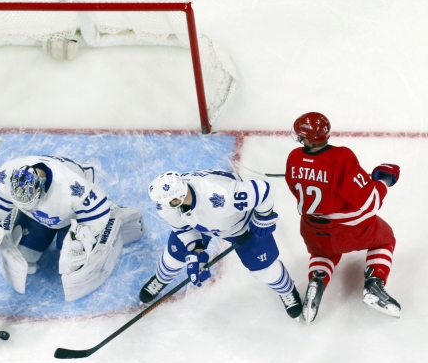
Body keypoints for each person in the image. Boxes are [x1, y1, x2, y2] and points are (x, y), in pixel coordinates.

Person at [0, 155, 143, 301]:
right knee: (25, 256)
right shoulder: (6, 175)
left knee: (70, 262)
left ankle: (66, 233)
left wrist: (82, 236)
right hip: (41, 216)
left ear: (42, 188)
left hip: (72, 216)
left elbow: (98, 212)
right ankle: (42, 228)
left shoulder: (72, 188)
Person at [285, 112, 401, 324]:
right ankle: (375, 282)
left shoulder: (293, 158)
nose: (300, 139)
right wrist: (382, 180)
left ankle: (317, 279)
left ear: (310, 139)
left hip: (310, 229)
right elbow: (370, 203)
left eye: (302, 135)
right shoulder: (342, 157)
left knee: (324, 252)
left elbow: (304, 186)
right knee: (386, 239)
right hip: (345, 231)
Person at [141, 170, 303, 320]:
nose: (164, 206)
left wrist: (263, 216)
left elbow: (264, 190)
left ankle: (287, 290)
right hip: (202, 224)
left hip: (240, 226)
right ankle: (160, 279)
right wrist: (196, 251)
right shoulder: (166, 204)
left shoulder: (219, 196)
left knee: (264, 270)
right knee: (174, 257)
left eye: (171, 202)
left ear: (178, 197)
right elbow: (183, 229)